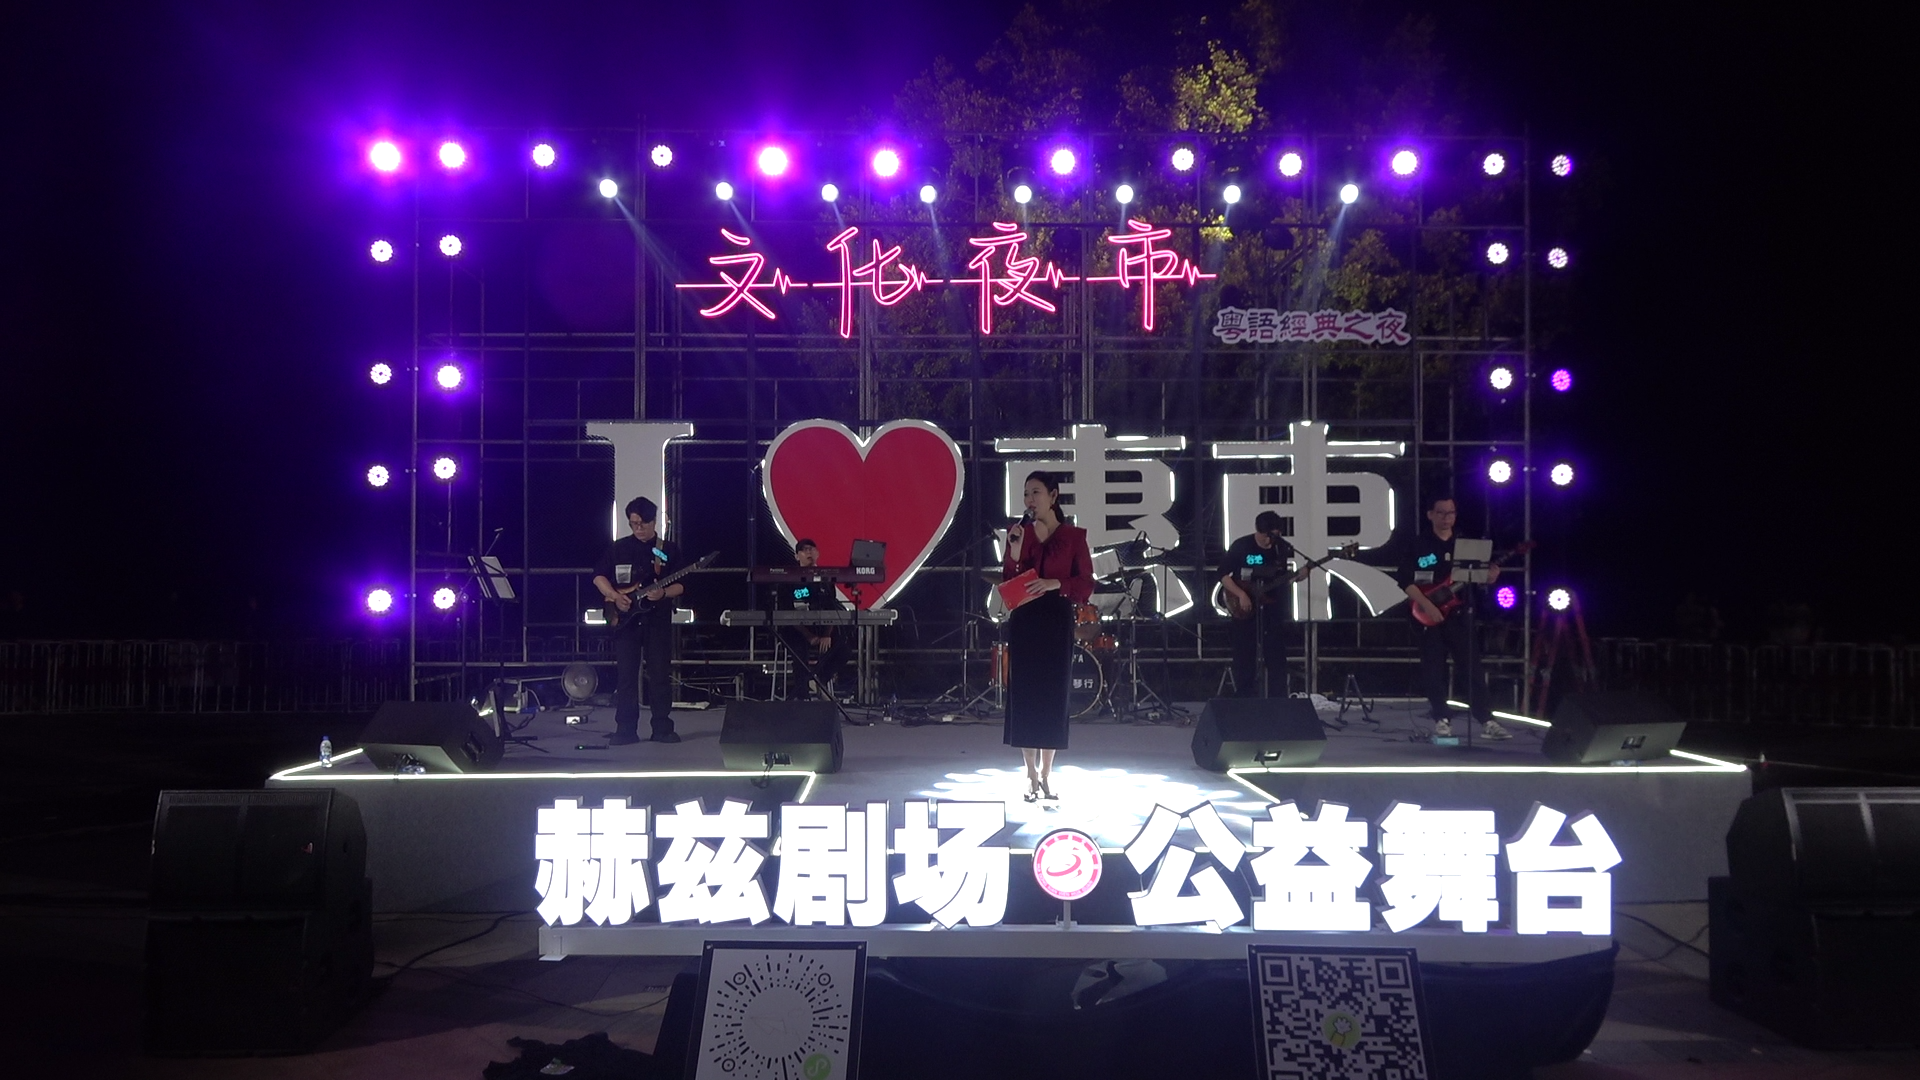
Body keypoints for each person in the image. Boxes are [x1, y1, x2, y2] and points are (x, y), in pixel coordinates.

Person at [1002, 470, 1095, 803]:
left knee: (1053, 696)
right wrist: (1014, 551)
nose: (1030, 500)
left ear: (1053, 496)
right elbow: (1008, 579)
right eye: (1026, 493)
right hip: (1025, 619)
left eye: (1036, 492)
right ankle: (1029, 774)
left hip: (1056, 619)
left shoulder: (1073, 537)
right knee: (1026, 696)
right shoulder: (1020, 533)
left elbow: (1086, 583)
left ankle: (1047, 774)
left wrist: (1057, 584)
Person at [1398, 496, 1509, 740]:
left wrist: (1490, 576)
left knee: (1471, 667)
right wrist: (1428, 606)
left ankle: (1486, 719)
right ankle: (1441, 717)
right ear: (1430, 515)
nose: (1446, 518)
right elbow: (1405, 580)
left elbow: (1476, 576)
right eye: (1441, 513)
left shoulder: (1464, 543)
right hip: (1428, 613)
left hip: (1459, 613)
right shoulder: (1419, 544)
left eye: (1451, 513)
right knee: (1433, 668)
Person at [592, 497, 685, 745]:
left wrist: (663, 593)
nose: (639, 528)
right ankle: (625, 729)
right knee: (626, 676)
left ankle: (662, 727)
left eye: (643, 523)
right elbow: (598, 576)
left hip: (657, 620)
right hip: (627, 621)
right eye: (634, 524)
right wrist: (615, 597)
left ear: (654, 521)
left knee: (660, 674)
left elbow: (682, 584)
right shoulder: (618, 548)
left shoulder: (667, 550)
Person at [1219, 510, 1308, 698]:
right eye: (1266, 537)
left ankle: (1278, 698)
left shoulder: (1280, 548)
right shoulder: (1241, 546)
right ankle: (1245, 696)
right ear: (1258, 531)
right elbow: (1223, 575)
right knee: (1245, 653)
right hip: (1245, 606)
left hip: (1271, 606)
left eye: (1273, 536)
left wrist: (1297, 577)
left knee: (1276, 653)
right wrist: (1241, 594)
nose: (1269, 541)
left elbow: (1280, 578)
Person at [774, 538, 853, 699]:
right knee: (799, 652)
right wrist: (809, 636)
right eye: (805, 550)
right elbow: (787, 613)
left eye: (812, 549)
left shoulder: (826, 580)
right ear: (797, 556)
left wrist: (827, 634)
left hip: (821, 627)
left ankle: (818, 679)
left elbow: (832, 609)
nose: (809, 552)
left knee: (843, 650)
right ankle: (802, 698)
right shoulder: (788, 579)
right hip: (797, 629)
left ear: (818, 554)